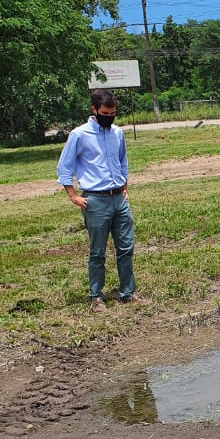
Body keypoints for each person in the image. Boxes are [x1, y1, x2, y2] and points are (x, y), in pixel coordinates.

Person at [56, 89, 148, 312]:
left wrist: (124, 184)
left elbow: (122, 160)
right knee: (97, 251)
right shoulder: (79, 135)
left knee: (126, 248)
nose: (110, 116)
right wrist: (73, 195)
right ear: (94, 110)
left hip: (119, 199)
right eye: (106, 112)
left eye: (113, 112)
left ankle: (128, 292)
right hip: (95, 201)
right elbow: (64, 167)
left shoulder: (117, 133)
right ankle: (96, 297)